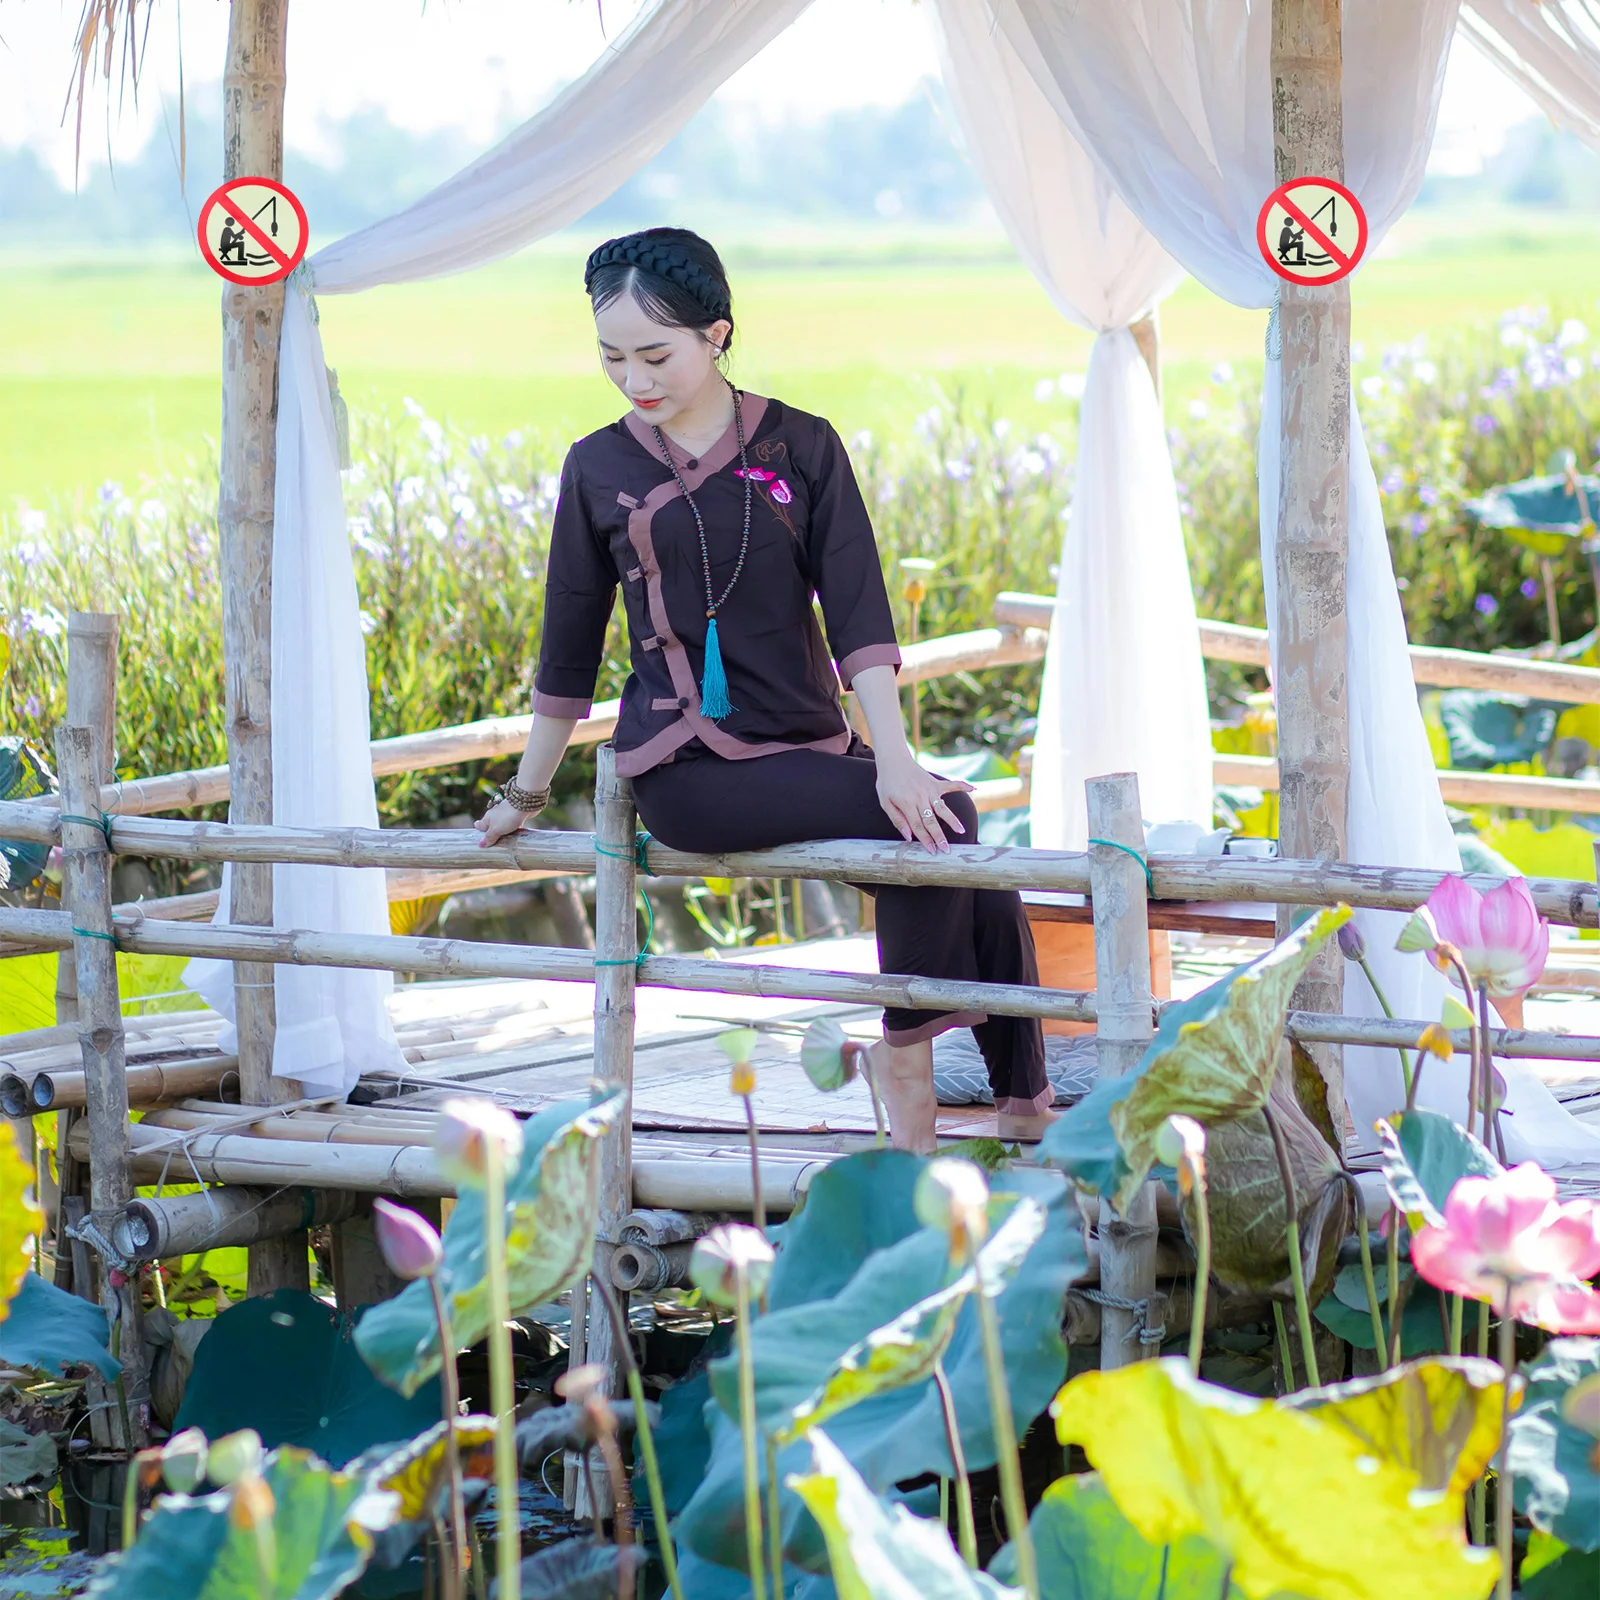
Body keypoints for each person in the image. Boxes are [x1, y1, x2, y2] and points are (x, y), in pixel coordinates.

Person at [474, 226, 1051, 1150]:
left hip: (813, 744)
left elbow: (862, 618)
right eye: (612, 358)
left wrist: (893, 760)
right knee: (936, 818)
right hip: (687, 768)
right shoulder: (598, 467)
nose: (635, 379)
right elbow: (566, 656)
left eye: (656, 354)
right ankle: (912, 1063)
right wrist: (527, 795)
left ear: (719, 335)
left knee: (945, 813)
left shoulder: (804, 447)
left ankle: (1019, 1095)